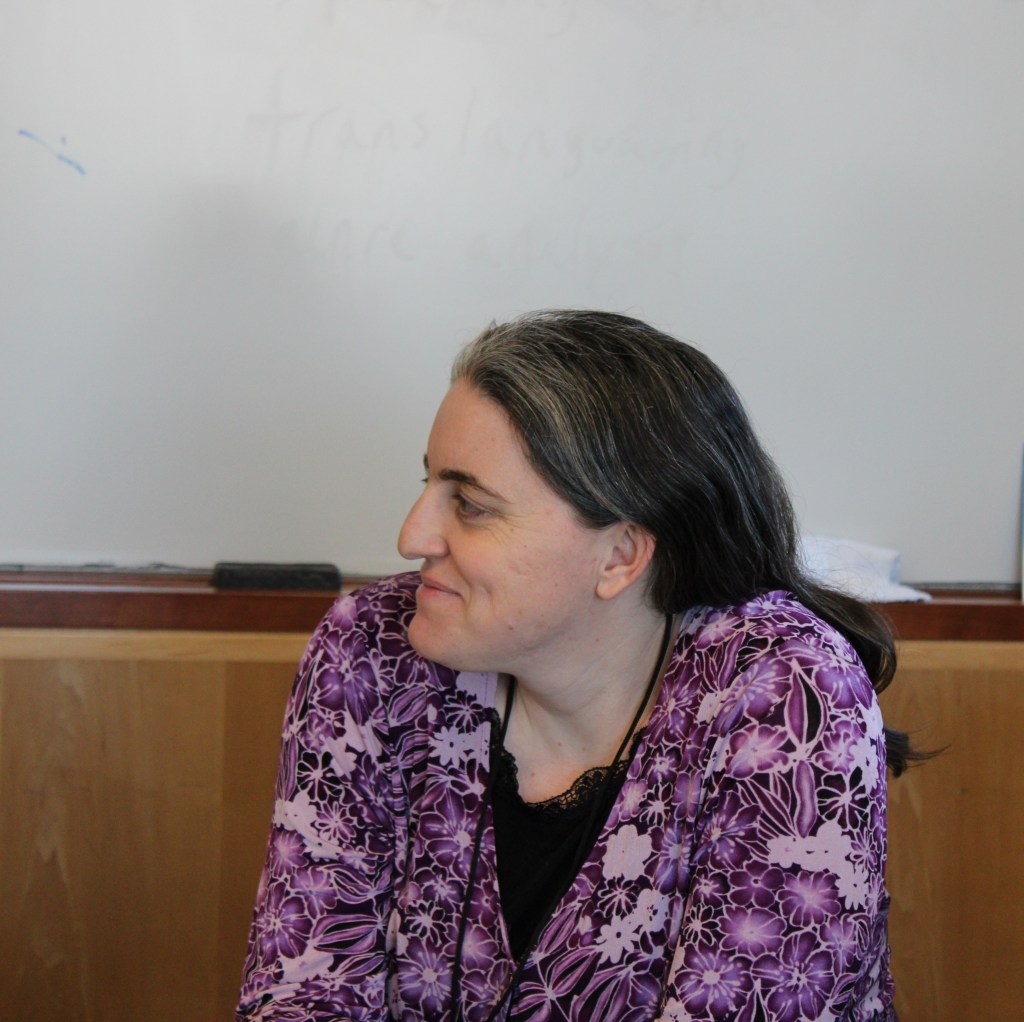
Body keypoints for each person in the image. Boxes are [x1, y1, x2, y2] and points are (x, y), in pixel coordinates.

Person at [237, 310, 906, 1021]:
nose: (412, 535)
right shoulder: (374, 646)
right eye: (428, 484)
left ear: (620, 555)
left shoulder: (789, 694)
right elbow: (304, 989)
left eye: (470, 505)